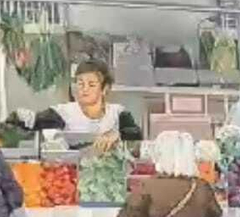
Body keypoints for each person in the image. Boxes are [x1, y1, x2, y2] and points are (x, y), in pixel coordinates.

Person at [14, 60, 143, 153]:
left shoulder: (117, 112)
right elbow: (32, 122)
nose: (84, 89)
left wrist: (117, 135)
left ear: (105, 89)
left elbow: (135, 134)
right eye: (80, 84)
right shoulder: (63, 112)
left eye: (91, 85)